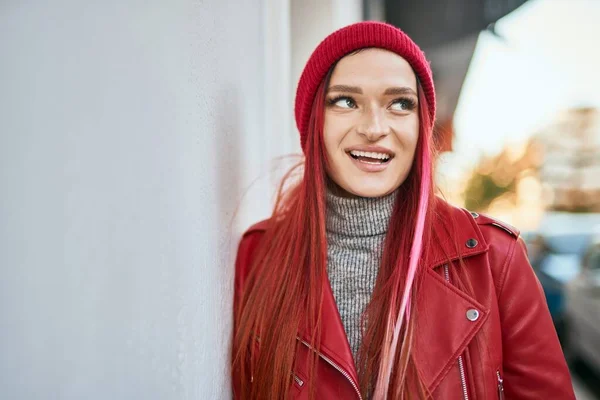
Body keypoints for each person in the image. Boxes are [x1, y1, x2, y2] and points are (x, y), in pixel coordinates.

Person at [231, 21, 575, 399]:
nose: (374, 128)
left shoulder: (495, 257)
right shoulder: (258, 253)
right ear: (315, 121)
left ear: (421, 126)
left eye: (400, 103)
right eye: (346, 100)